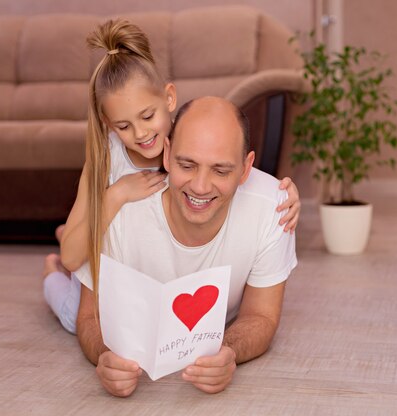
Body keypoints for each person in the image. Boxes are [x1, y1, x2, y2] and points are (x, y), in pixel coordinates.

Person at [42, 19, 300, 335]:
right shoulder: (105, 163)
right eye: (123, 126)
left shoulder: (186, 138)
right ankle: (49, 272)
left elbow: (225, 161)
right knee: (70, 311)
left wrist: (284, 193)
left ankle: (69, 230)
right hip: (99, 267)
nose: (140, 134)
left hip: (147, 275)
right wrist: (115, 195)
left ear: (169, 98)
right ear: (108, 124)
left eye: (148, 116)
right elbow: (73, 258)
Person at [75, 96, 297, 397]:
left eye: (221, 171)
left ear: (246, 169)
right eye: (187, 165)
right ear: (167, 154)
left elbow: (262, 316)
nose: (200, 187)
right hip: (122, 303)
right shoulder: (120, 211)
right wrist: (105, 354)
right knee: (65, 287)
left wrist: (228, 351)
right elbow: (89, 316)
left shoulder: (276, 208)